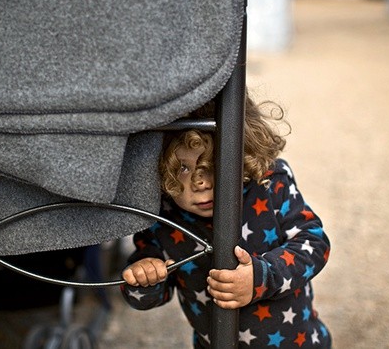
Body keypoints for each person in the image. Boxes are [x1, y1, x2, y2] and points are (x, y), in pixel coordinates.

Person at [120, 93, 332, 348]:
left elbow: (315, 242)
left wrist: (262, 277)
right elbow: (145, 298)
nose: (202, 183)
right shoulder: (163, 218)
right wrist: (144, 277)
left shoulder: (268, 182)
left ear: (244, 152)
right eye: (183, 168)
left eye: (213, 162)